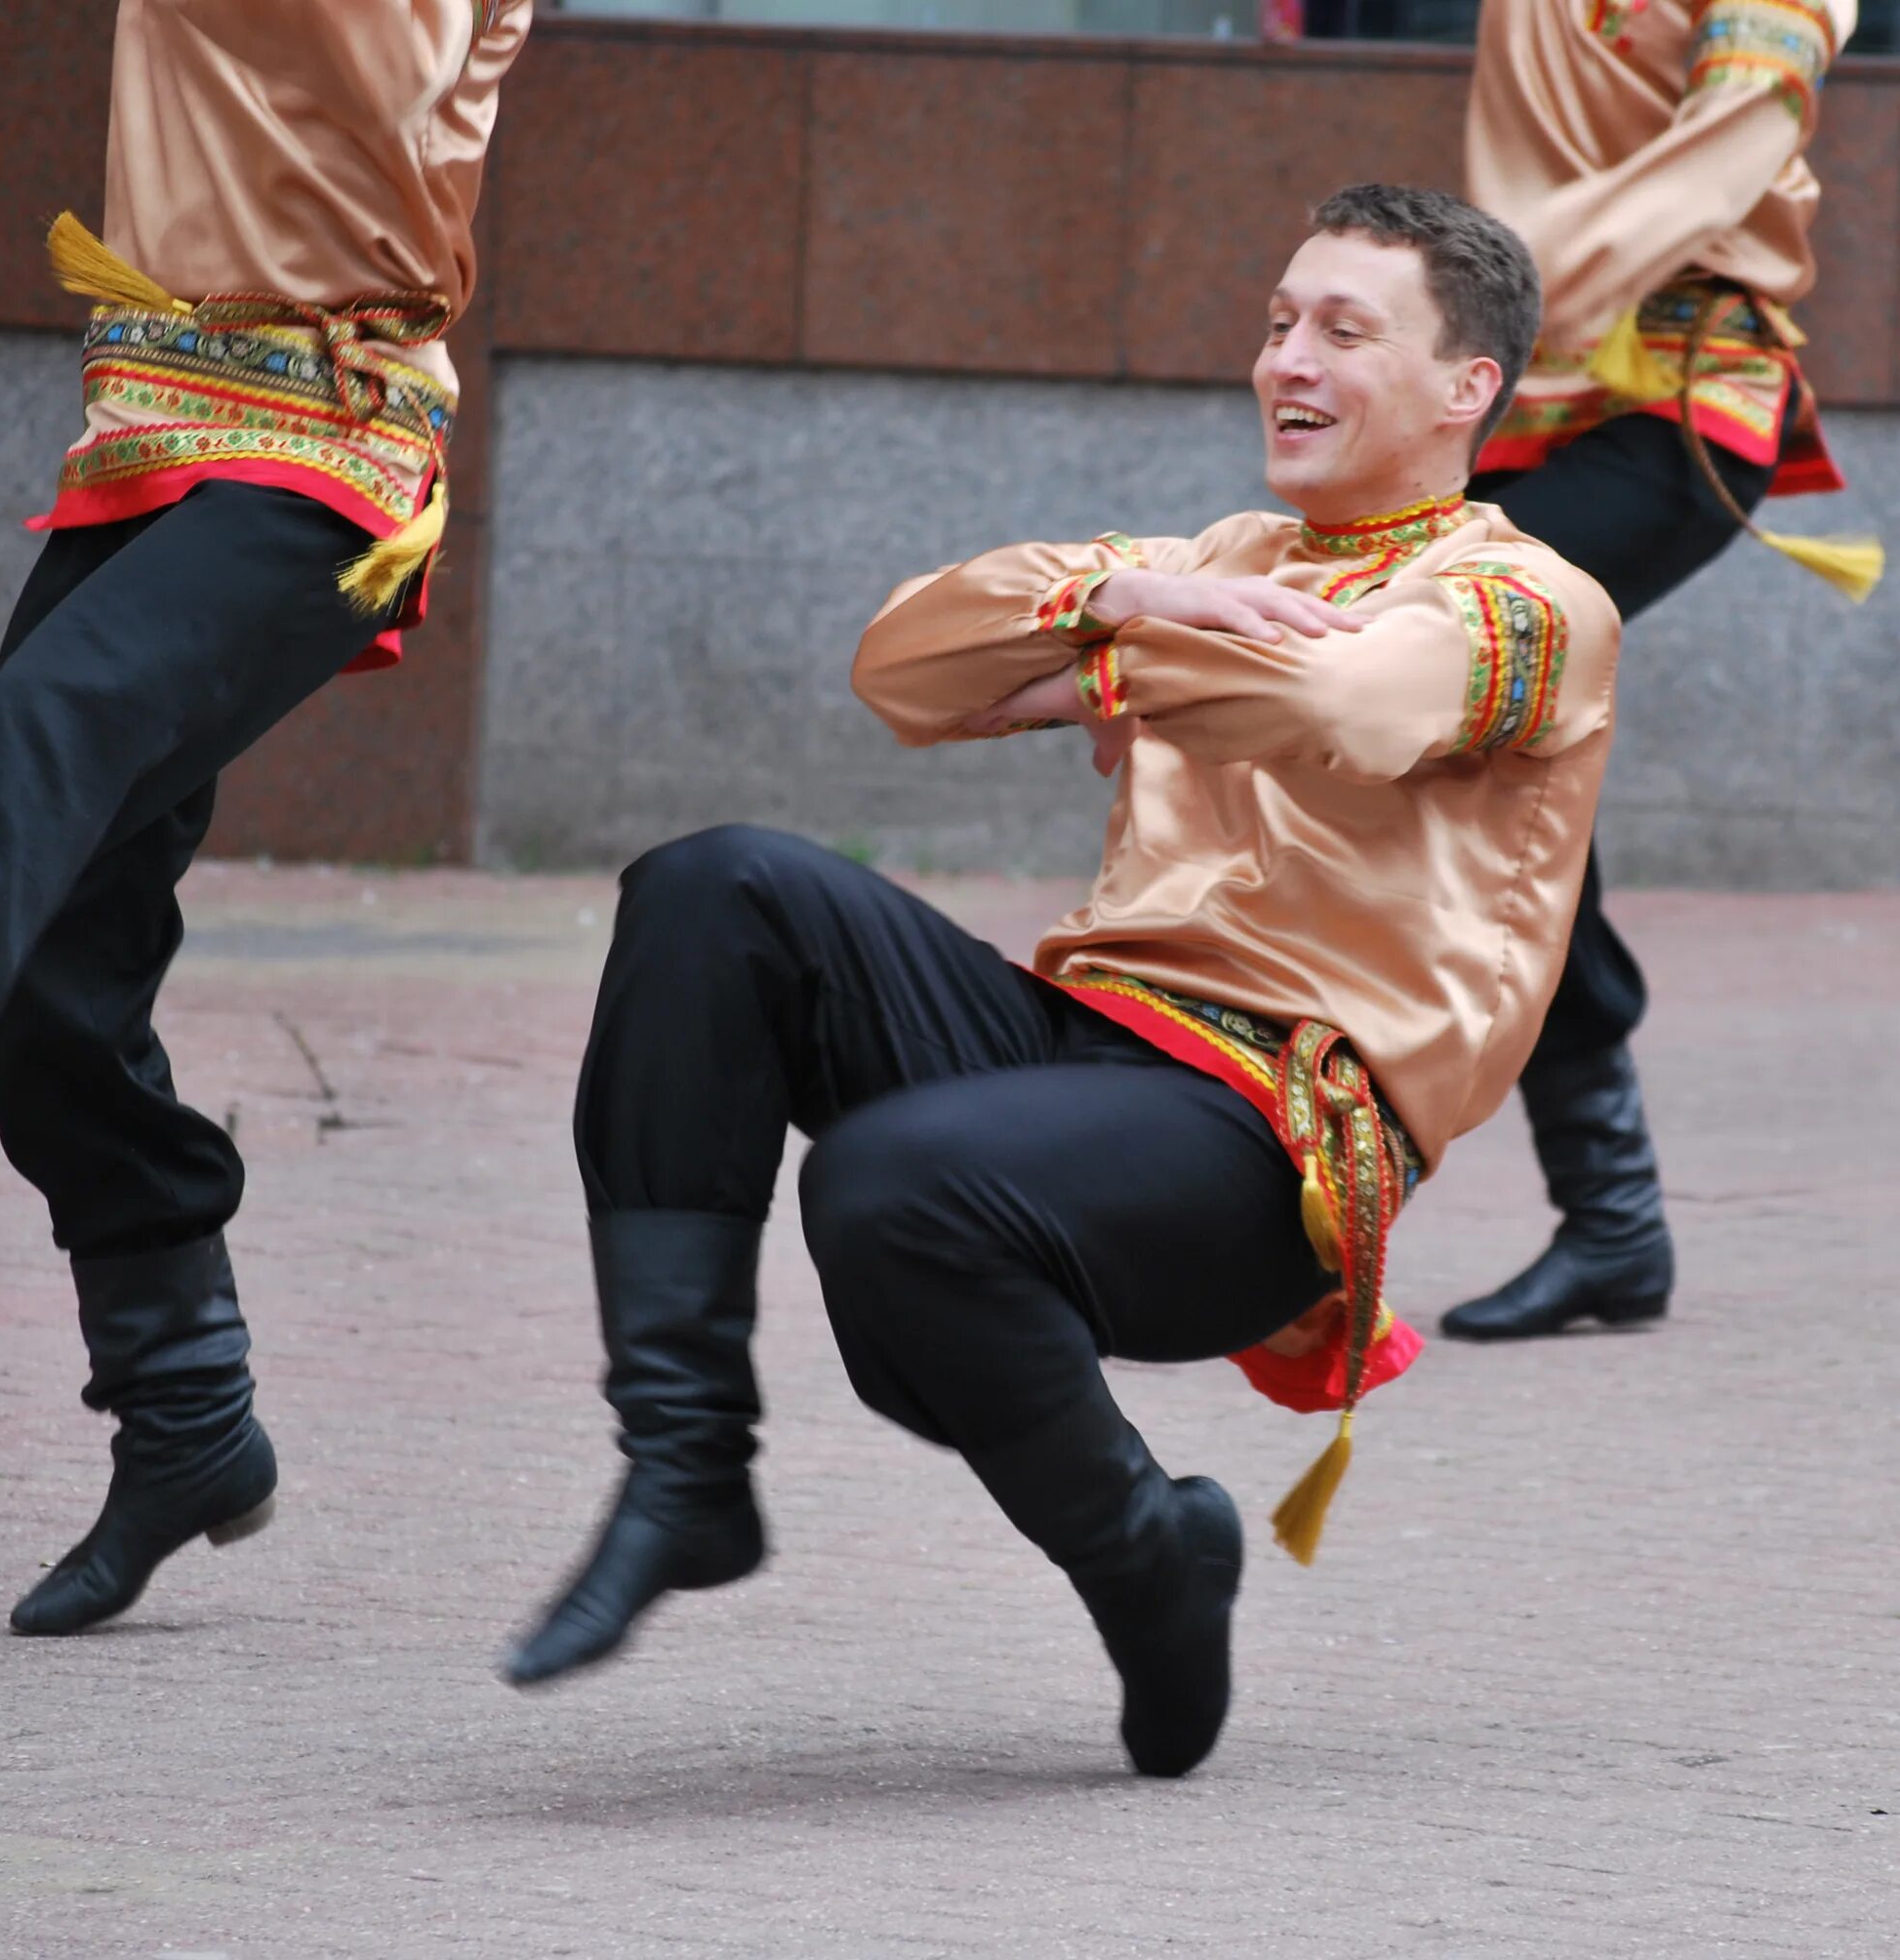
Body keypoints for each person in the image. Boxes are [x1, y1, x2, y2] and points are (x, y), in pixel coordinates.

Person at [501, 185, 1621, 1779]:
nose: (1285, 358)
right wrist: (1126, 596)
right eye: (1279, 320)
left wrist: (1112, 654)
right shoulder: (1218, 561)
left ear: (1467, 389)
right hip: (1081, 1047)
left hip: (1277, 1134)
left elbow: (1352, 708)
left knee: (898, 1188)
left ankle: (1147, 1554)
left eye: (1343, 330)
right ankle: (685, 1464)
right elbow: (898, 669)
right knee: (715, 889)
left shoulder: (1534, 607)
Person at [0, 0, 533, 1636]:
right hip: (153, 438)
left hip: (330, 458)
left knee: (61, 715)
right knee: (57, 959)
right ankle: (186, 1410)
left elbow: (375, 78)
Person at [1439, 0, 1870, 1343]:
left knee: (1435, 678)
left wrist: (1483, 292)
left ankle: (1306, 1187)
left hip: (1675, 397)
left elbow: (1731, 146)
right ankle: (1611, 1223)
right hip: (1520, 397)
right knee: (1495, 771)